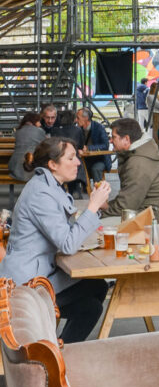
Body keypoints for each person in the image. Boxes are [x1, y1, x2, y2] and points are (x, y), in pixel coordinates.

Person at [0, 137, 112, 343]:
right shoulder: (40, 194)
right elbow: (68, 244)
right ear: (53, 164)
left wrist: (93, 210)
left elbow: (63, 233)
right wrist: (93, 206)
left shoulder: (48, 185)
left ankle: (58, 344)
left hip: (41, 272)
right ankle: (56, 355)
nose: (78, 162)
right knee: (92, 305)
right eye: (71, 158)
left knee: (97, 287)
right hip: (27, 285)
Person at [103, 118, 159, 225]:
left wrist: (99, 212)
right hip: (154, 210)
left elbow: (126, 206)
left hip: (157, 216)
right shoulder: (142, 151)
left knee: (101, 224)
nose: (110, 140)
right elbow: (128, 199)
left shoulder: (138, 163)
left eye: (113, 137)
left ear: (126, 139)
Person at [54, 109, 87, 198]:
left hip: (59, 161)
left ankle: (61, 192)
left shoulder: (55, 130)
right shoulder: (77, 130)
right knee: (75, 165)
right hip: (73, 160)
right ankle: (76, 190)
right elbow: (81, 145)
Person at [76, 108, 112, 184]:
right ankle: (82, 189)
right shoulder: (79, 129)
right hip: (86, 159)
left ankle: (99, 189)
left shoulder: (99, 128)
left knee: (96, 169)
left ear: (86, 118)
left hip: (100, 159)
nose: (76, 120)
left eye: (78, 118)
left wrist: (89, 148)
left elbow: (105, 145)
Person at [9, 112, 44, 182]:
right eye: (38, 121)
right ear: (33, 121)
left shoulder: (18, 132)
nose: (40, 124)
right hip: (32, 169)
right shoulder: (39, 131)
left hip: (15, 168)